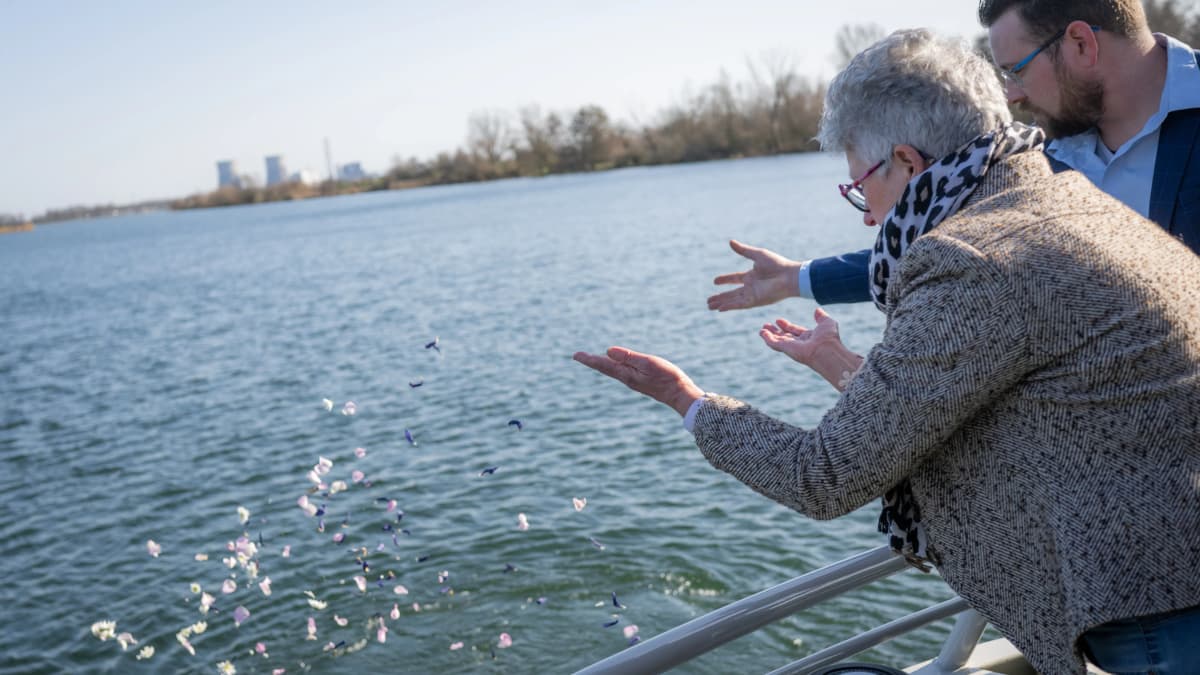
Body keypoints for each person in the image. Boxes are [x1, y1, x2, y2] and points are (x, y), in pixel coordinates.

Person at [575, 29, 1200, 675]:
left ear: (908, 160)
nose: (868, 217)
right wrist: (842, 367)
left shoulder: (973, 258)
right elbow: (1003, 404)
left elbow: (822, 475)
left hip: (1157, 616)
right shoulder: (1069, 200)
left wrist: (687, 400)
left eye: (859, 187)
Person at [707, 0, 1200, 312]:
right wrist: (797, 278)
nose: (1011, 96)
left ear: (1080, 43)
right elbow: (946, 248)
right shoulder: (1034, 156)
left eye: (1017, 71)